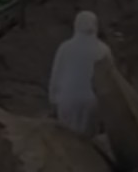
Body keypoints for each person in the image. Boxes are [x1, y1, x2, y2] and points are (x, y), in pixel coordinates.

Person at [48, 10, 112, 138]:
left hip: (66, 101)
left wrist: (53, 101)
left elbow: (56, 76)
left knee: (68, 140)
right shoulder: (104, 50)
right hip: (92, 104)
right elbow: (110, 82)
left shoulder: (65, 48)